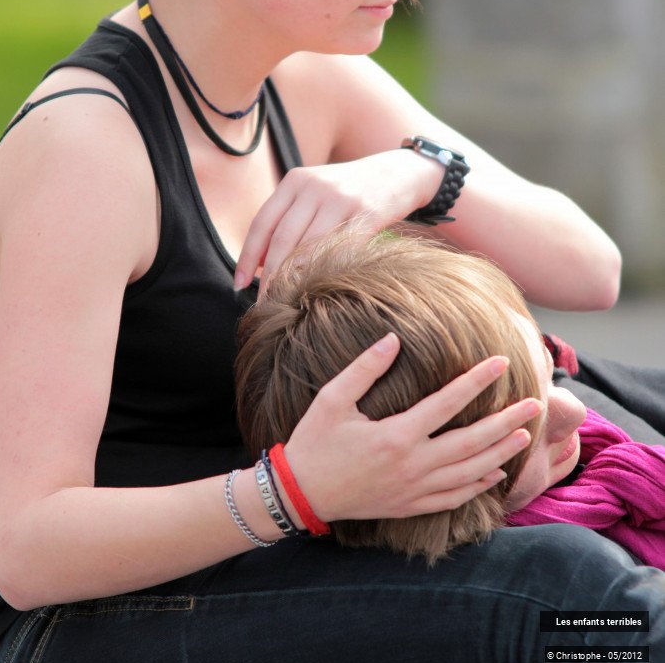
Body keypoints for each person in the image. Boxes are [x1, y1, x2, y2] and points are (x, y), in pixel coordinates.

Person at [0, 0, 664, 663]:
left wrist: (417, 173)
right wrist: (293, 491)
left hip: (290, 562)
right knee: (569, 601)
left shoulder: (306, 75)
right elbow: (23, 546)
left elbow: (588, 267)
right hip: (92, 636)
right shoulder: (84, 152)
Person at [236, 231, 665, 569]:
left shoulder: (612, 456)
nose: (574, 409)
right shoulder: (561, 605)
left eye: (547, 371)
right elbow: (624, 650)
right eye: (523, 429)